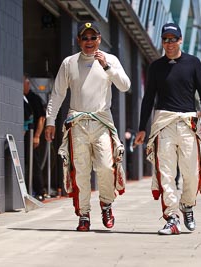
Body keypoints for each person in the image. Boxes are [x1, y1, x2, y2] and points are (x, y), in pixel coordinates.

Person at [44, 22, 131, 231]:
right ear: (79, 41)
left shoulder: (110, 60)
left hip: (102, 122)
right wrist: (49, 120)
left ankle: (106, 204)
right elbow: (57, 94)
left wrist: (107, 67)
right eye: (85, 38)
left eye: (93, 38)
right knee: (80, 171)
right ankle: (83, 214)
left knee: (106, 167)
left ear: (99, 39)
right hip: (78, 123)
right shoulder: (69, 62)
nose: (89, 42)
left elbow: (125, 85)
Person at [134, 22, 201, 235]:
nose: (169, 43)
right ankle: (171, 217)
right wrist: (142, 128)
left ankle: (187, 205)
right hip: (163, 123)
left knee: (191, 173)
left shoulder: (193, 63)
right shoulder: (156, 66)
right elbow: (148, 98)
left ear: (180, 40)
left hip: (188, 123)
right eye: (165, 39)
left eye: (173, 39)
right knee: (165, 173)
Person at [23, 74, 46, 201]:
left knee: (34, 163)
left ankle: (39, 191)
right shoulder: (21, 98)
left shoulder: (34, 98)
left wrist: (37, 136)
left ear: (27, 84)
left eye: (23, 84)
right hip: (25, 135)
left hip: (33, 136)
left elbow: (41, 118)